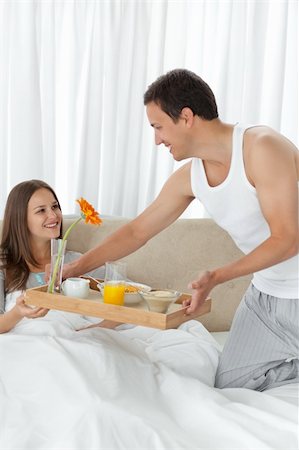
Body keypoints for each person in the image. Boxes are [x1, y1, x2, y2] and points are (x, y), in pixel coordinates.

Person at [60, 68, 299, 391]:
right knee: (233, 384)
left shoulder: (262, 148)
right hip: (266, 296)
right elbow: (137, 232)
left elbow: (287, 239)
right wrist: (73, 268)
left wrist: (216, 277)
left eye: (158, 127)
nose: (157, 139)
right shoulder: (191, 177)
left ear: (186, 117)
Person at [0, 179, 117, 334]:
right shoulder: (4, 264)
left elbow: (127, 297)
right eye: (41, 210)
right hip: (26, 343)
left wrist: (95, 330)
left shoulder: (75, 263)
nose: (53, 215)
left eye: (55, 206)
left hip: (75, 341)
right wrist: (18, 312)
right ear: (20, 218)